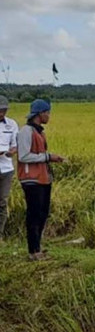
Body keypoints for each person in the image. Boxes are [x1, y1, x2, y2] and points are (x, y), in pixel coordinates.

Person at [17, 99, 65, 261]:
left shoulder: (39, 132)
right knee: (34, 214)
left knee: (43, 213)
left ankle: (37, 247)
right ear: (40, 114)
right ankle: (33, 251)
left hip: (43, 178)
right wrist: (48, 157)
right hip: (31, 179)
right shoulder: (26, 131)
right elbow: (23, 155)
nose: (49, 116)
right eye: (47, 112)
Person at [0, 96, 18, 238]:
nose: (1, 113)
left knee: (2, 202)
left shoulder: (11, 124)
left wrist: (12, 151)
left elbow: (15, 144)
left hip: (6, 168)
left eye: (3, 110)